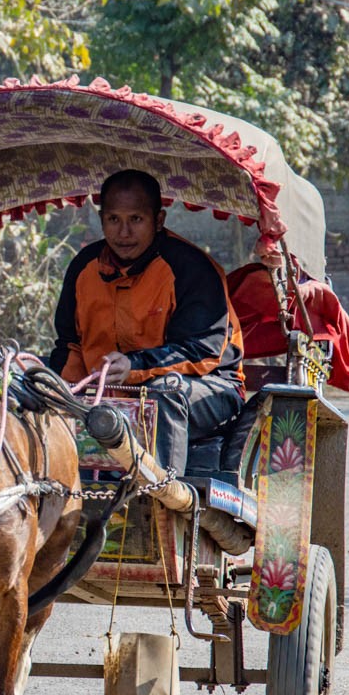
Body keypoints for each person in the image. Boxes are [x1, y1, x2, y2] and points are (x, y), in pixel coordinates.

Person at [47, 169, 245, 476]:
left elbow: (203, 352)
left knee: (160, 395)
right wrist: (60, 390)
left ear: (159, 220)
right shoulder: (83, 268)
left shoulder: (190, 268)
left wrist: (133, 367)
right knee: (31, 387)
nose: (124, 232)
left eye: (136, 220)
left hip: (209, 389)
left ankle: (159, 504)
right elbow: (70, 346)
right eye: (114, 219)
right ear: (102, 221)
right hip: (111, 394)